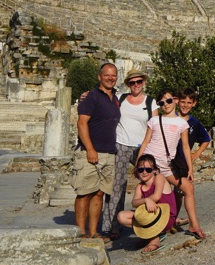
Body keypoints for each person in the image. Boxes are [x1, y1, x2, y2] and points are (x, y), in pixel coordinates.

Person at [137, 89, 207, 239]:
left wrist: (190, 169)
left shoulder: (182, 123)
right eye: (161, 102)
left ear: (175, 100)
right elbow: (145, 142)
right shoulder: (154, 120)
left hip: (167, 165)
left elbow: (186, 147)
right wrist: (138, 163)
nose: (166, 104)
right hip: (152, 164)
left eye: (168, 100)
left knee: (188, 188)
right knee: (155, 195)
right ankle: (152, 232)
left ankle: (194, 226)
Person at [100, 68, 157, 240]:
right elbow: (101, 101)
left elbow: (154, 126)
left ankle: (157, 221)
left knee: (153, 182)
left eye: (139, 81)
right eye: (132, 82)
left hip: (142, 147)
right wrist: (85, 96)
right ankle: (112, 227)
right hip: (121, 145)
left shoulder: (151, 102)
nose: (136, 85)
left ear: (144, 82)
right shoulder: (120, 99)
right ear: (128, 84)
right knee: (116, 187)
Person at [73, 62, 121, 240]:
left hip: (109, 153)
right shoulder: (91, 97)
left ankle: (93, 232)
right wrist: (90, 149)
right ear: (99, 77)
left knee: (99, 193)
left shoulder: (115, 98)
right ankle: (80, 233)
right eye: (107, 75)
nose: (110, 78)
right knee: (84, 193)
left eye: (113, 75)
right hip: (90, 152)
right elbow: (81, 123)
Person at [117, 154, 176, 255]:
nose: (144, 172)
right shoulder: (140, 187)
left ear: (154, 170)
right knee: (121, 216)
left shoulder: (159, 178)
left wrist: (146, 200)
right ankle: (149, 236)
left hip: (165, 217)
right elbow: (134, 202)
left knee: (148, 215)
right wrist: (146, 200)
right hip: (150, 217)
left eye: (148, 169)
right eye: (141, 170)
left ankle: (154, 239)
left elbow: (156, 196)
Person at [172, 89, 210, 231]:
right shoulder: (170, 118)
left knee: (179, 193)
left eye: (189, 102)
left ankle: (174, 220)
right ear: (177, 101)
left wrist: (196, 154)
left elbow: (206, 139)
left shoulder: (194, 123)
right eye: (183, 102)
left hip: (183, 163)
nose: (185, 105)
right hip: (168, 161)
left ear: (194, 104)